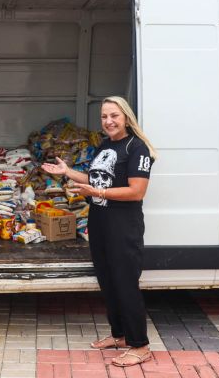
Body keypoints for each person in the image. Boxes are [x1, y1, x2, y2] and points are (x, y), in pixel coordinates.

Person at [41, 96, 157, 368]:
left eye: (114, 115)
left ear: (126, 117)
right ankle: (119, 335)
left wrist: (98, 192)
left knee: (125, 284)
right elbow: (94, 179)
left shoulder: (137, 148)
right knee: (107, 281)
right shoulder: (106, 145)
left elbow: (136, 191)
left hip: (123, 226)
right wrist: (68, 171)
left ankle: (140, 345)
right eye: (104, 117)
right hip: (100, 222)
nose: (108, 121)